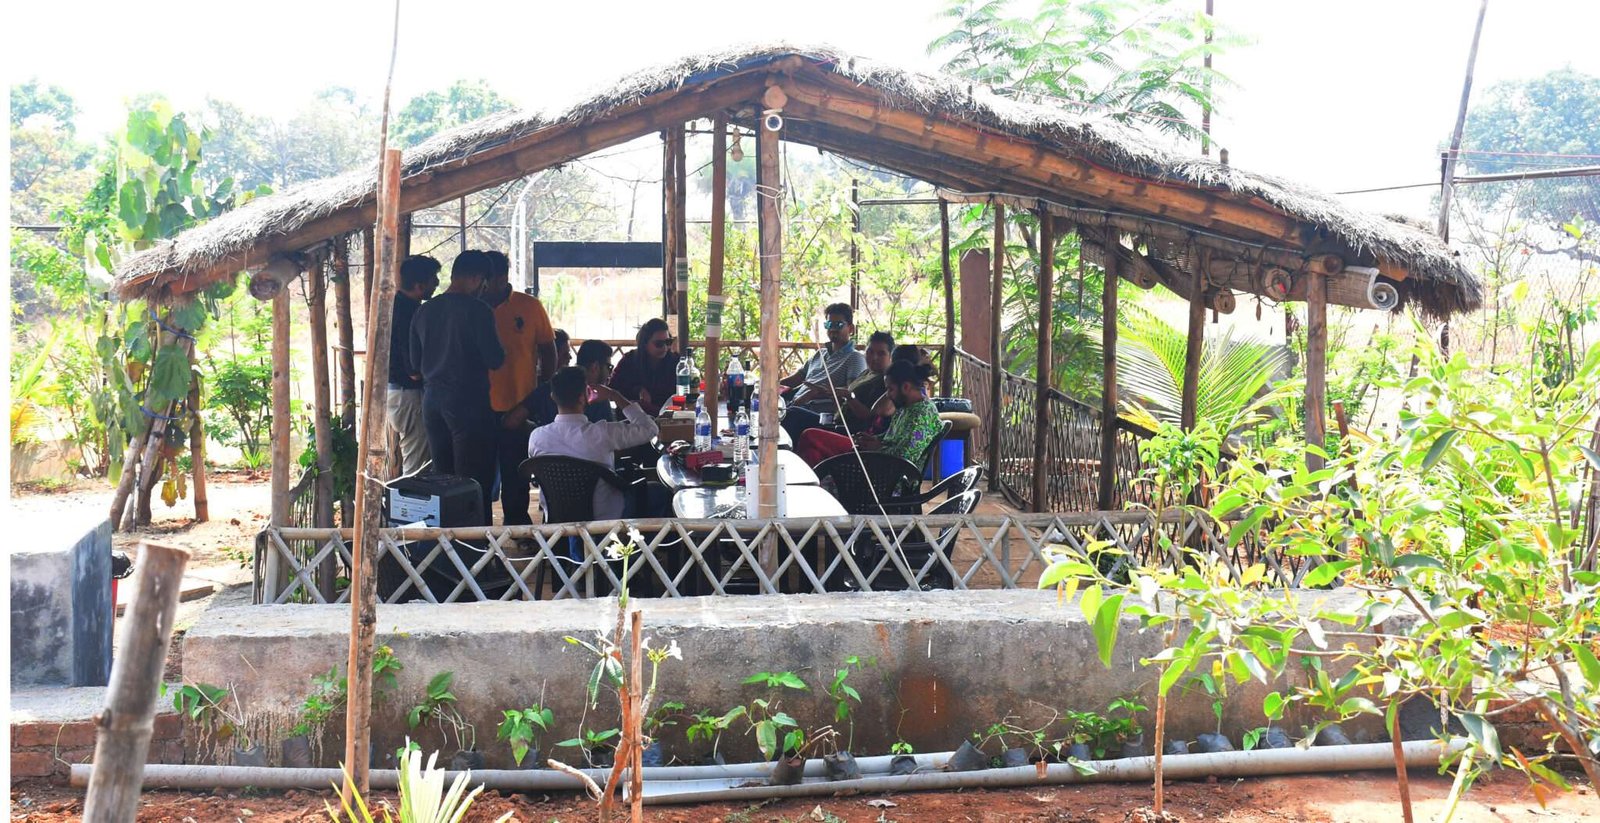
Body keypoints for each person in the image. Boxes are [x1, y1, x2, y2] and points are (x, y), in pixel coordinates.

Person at [409, 250, 505, 521]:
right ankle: (478, 549)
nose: (484, 289)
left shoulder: (424, 311)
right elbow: (495, 359)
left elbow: (414, 366)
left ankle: (446, 549)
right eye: (484, 283)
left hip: (432, 403)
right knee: (474, 482)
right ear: (476, 279)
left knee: (443, 480)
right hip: (468, 402)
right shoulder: (479, 311)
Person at [482, 250, 557, 525]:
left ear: (503, 277)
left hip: (520, 405)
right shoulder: (472, 307)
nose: (485, 286)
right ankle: (480, 533)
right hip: (478, 407)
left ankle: (517, 527)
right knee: (480, 475)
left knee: (516, 473)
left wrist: (542, 394)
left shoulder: (529, 306)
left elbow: (549, 349)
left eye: (489, 279)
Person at [527, 366, 659, 521]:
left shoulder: (537, 437)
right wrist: (614, 395)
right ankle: (641, 544)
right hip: (604, 516)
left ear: (553, 397)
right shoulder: (602, 433)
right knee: (658, 492)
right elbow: (650, 429)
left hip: (558, 517)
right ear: (584, 396)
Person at [796, 360, 942, 471]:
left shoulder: (922, 413)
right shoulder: (906, 408)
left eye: (890, 390)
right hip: (874, 457)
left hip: (884, 472)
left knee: (810, 436)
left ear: (906, 387)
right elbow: (891, 438)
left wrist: (877, 448)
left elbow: (905, 457)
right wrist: (872, 439)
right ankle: (818, 492)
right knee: (812, 452)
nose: (888, 395)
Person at [779, 303, 867, 440]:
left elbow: (851, 392)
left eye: (838, 325)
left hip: (822, 415)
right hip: (797, 404)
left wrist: (815, 394)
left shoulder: (855, 358)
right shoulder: (820, 354)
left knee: (790, 414)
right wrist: (769, 386)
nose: (832, 329)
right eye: (829, 325)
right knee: (759, 401)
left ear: (851, 329)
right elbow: (795, 379)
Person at [386, 255, 440, 476]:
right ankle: (411, 508)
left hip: (398, 393)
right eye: (434, 280)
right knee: (417, 463)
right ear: (419, 286)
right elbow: (413, 368)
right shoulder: (409, 313)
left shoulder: (397, 306)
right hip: (408, 393)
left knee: (414, 455)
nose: (437, 284)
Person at [529, 338, 615, 427]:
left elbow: (517, 417)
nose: (610, 373)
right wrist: (614, 395)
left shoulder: (550, 387)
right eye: (609, 367)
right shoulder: (598, 397)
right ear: (595, 367)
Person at [610, 318, 679, 416]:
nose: (664, 347)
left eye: (668, 342)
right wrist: (637, 390)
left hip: (667, 419)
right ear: (645, 343)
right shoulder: (629, 360)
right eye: (658, 344)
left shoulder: (675, 362)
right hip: (632, 420)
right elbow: (613, 388)